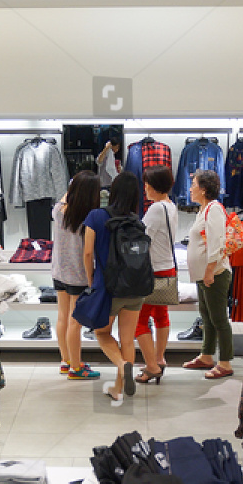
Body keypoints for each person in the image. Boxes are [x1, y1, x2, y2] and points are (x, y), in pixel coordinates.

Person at [82, 172, 145, 404]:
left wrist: (91, 281)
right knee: (127, 340)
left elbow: (88, 253)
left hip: (108, 287)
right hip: (135, 287)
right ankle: (118, 389)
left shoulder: (96, 216)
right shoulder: (137, 220)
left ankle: (122, 365)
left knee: (102, 333)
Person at [184, 169, 234, 380]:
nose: (190, 188)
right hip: (205, 273)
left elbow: (217, 243)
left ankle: (225, 362)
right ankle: (206, 355)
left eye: (193, 184)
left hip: (214, 273)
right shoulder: (204, 209)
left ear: (203, 190)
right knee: (206, 316)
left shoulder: (214, 210)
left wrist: (209, 271)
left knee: (219, 318)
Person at [52, 171, 102, 380]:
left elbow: (64, 198)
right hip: (79, 274)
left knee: (63, 316)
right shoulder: (90, 217)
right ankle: (76, 368)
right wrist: (91, 279)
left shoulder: (58, 210)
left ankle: (66, 361)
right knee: (75, 321)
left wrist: (72, 186)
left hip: (59, 270)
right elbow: (89, 252)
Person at [133, 166, 178, 384]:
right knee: (161, 315)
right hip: (168, 267)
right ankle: (159, 359)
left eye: (147, 184)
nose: (145, 188)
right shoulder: (171, 206)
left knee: (139, 321)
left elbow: (142, 239)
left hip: (152, 271)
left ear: (152, 186)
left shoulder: (156, 209)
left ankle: (152, 367)